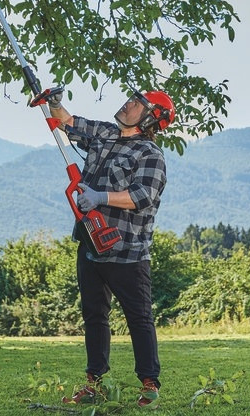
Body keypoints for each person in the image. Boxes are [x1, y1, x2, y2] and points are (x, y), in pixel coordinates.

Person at [49, 88, 175, 409]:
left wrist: (100, 197)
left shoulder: (150, 155)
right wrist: (54, 104)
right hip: (90, 241)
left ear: (149, 118)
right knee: (94, 314)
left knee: (139, 317)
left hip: (127, 249)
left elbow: (141, 196)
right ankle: (94, 383)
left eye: (137, 103)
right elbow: (68, 122)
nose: (128, 103)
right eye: (131, 97)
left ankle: (149, 384)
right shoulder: (105, 133)